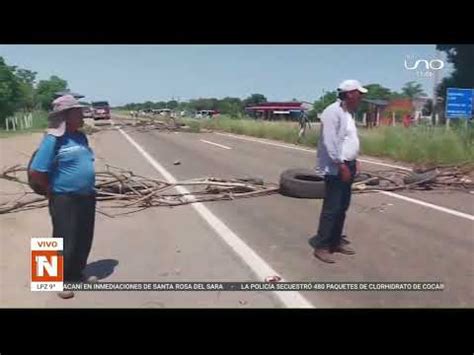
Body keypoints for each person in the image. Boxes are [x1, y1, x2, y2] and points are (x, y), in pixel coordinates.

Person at [29, 95, 98, 299]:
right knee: (62, 238)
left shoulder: (80, 136)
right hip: (63, 197)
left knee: (83, 237)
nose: (82, 115)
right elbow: (36, 171)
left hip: (86, 195)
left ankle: (76, 275)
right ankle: (53, 281)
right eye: (78, 112)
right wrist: (50, 189)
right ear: (66, 115)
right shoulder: (53, 138)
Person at [309, 80, 367, 263]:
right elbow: (330, 142)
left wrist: (354, 160)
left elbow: (348, 140)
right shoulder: (332, 112)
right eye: (359, 93)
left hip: (347, 164)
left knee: (343, 206)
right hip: (336, 167)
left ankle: (336, 241)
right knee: (332, 207)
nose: (361, 97)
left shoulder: (347, 113)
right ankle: (322, 246)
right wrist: (340, 165)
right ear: (350, 94)